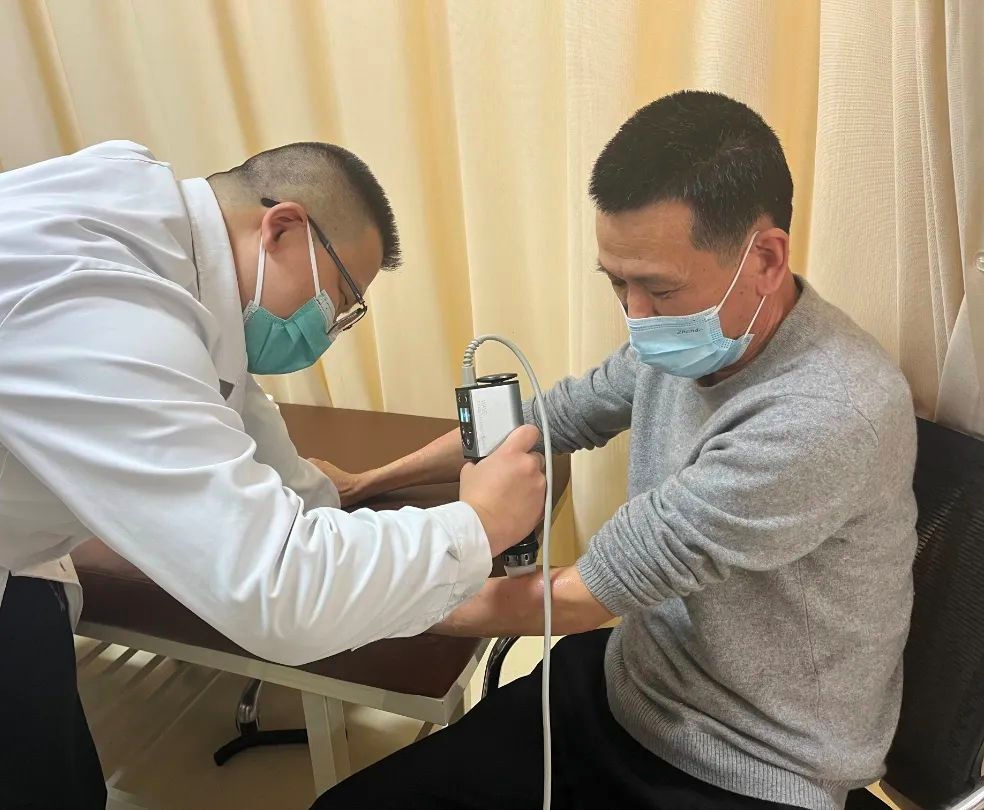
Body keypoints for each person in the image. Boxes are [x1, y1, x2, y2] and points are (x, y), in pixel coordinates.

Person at [311, 91, 918, 810]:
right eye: (617, 283)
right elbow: (548, 418)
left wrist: (361, 597)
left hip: (751, 759)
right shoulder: (690, 339)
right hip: (632, 681)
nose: (635, 317)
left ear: (765, 258)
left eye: (657, 288)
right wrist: (364, 483)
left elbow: (583, 594)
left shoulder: (828, 413)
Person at [0, 140, 546, 809]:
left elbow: (239, 411)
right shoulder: (93, 306)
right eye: (341, 301)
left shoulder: (153, 226)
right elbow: (278, 595)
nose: (331, 328)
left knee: (48, 764)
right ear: (282, 228)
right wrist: (476, 526)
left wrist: (343, 505)